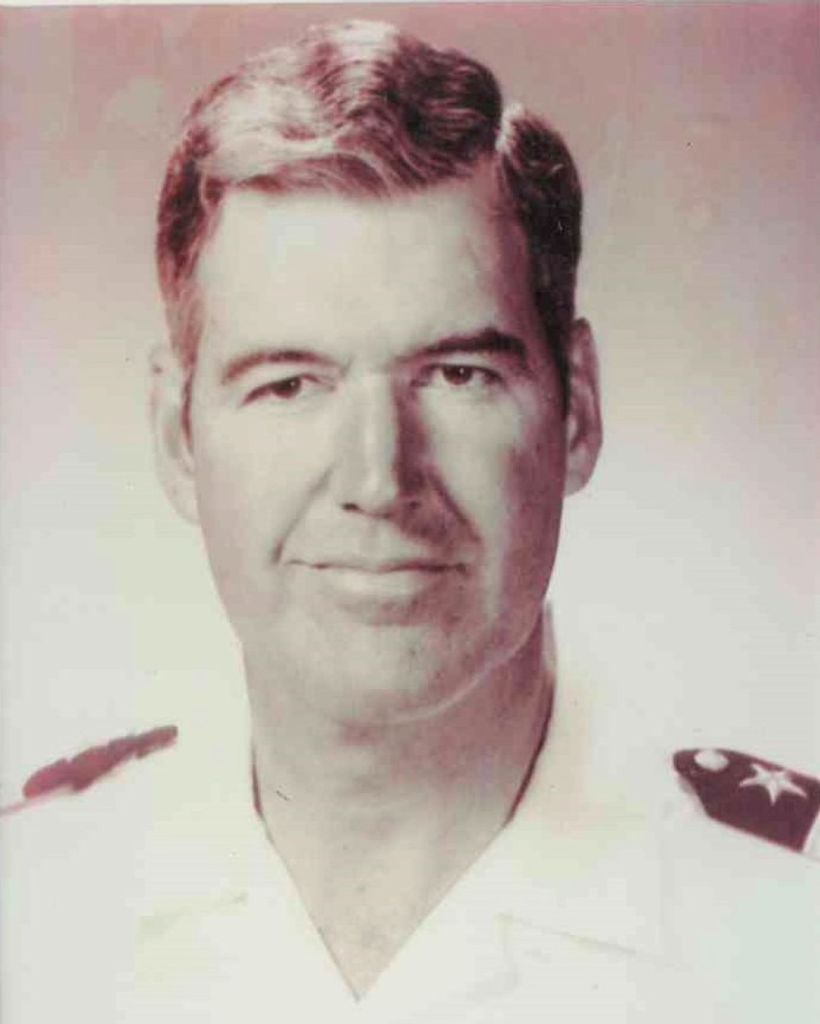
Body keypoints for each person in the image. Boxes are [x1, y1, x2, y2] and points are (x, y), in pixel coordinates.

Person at [2, 19, 816, 1024]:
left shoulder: (790, 924)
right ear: (177, 435)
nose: (378, 478)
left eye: (458, 374)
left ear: (578, 412)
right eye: (290, 383)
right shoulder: (32, 902)